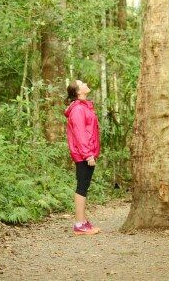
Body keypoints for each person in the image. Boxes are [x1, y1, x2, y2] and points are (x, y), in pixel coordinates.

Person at [64, 79, 101, 235]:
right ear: (78, 91)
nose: (86, 84)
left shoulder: (83, 106)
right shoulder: (78, 109)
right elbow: (80, 134)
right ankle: (79, 225)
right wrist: (88, 155)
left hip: (86, 152)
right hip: (83, 154)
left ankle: (83, 221)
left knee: (83, 186)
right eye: (82, 84)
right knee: (82, 187)